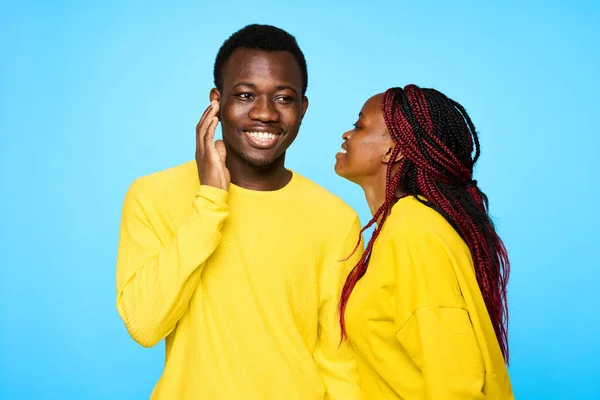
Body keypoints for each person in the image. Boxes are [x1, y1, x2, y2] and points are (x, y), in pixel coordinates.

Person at [116, 24, 361, 399]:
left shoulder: (335, 219)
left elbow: (339, 361)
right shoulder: (152, 196)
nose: (264, 113)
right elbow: (145, 325)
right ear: (216, 102)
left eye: (283, 98)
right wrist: (210, 203)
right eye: (246, 95)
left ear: (302, 108)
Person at [334, 84, 514, 399]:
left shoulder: (415, 231)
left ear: (395, 150)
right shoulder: (398, 228)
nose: (346, 135)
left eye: (359, 126)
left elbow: (456, 382)